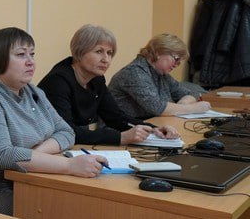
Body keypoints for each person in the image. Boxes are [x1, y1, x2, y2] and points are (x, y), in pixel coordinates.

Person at [0, 27, 107, 215]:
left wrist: (35, 155)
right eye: (21, 54)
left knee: (79, 206)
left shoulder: (33, 92)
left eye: (32, 54)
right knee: (66, 210)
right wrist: (69, 166)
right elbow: (3, 155)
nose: (30, 62)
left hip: (20, 182)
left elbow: (66, 132)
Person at [38, 24, 179, 145]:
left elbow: (116, 117)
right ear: (79, 52)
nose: (106, 59)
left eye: (110, 53)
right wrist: (121, 137)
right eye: (99, 51)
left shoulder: (97, 79)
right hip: (45, 146)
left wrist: (153, 129)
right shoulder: (58, 81)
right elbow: (67, 131)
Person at [108, 33, 211, 120]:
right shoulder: (134, 72)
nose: (177, 65)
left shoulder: (161, 74)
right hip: (122, 131)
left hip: (149, 126)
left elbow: (191, 93)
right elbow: (157, 108)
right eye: (176, 59)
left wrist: (182, 105)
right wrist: (194, 108)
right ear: (159, 52)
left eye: (179, 62)